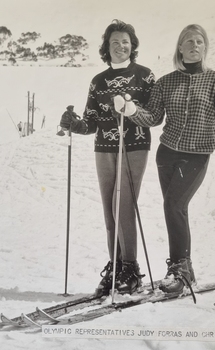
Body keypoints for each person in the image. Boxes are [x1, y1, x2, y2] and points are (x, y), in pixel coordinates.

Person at [113, 24, 215, 296]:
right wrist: (130, 110)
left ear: (205, 47)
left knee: (174, 204)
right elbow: (153, 118)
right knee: (175, 209)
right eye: (188, 41)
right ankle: (181, 268)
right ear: (179, 47)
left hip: (197, 154)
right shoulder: (166, 81)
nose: (194, 45)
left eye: (199, 41)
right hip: (166, 154)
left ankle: (180, 268)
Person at [60, 20, 156, 295]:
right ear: (107, 47)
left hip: (134, 146)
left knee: (122, 203)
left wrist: (130, 110)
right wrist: (75, 124)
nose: (120, 46)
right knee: (108, 207)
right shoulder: (98, 81)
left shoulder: (145, 76)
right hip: (104, 148)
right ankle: (116, 266)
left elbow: (152, 117)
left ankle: (131, 268)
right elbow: (91, 121)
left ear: (132, 45)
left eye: (125, 41)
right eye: (114, 42)